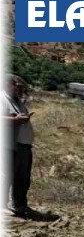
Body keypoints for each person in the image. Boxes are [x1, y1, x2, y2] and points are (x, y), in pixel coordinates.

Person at [4, 75, 35, 218]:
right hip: (9, 145)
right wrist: (14, 120)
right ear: (9, 84)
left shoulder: (17, 100)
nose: (21, 90)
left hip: (23, 145)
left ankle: (20, 204)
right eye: (19, 86)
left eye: (23, 87)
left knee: (22, 177)